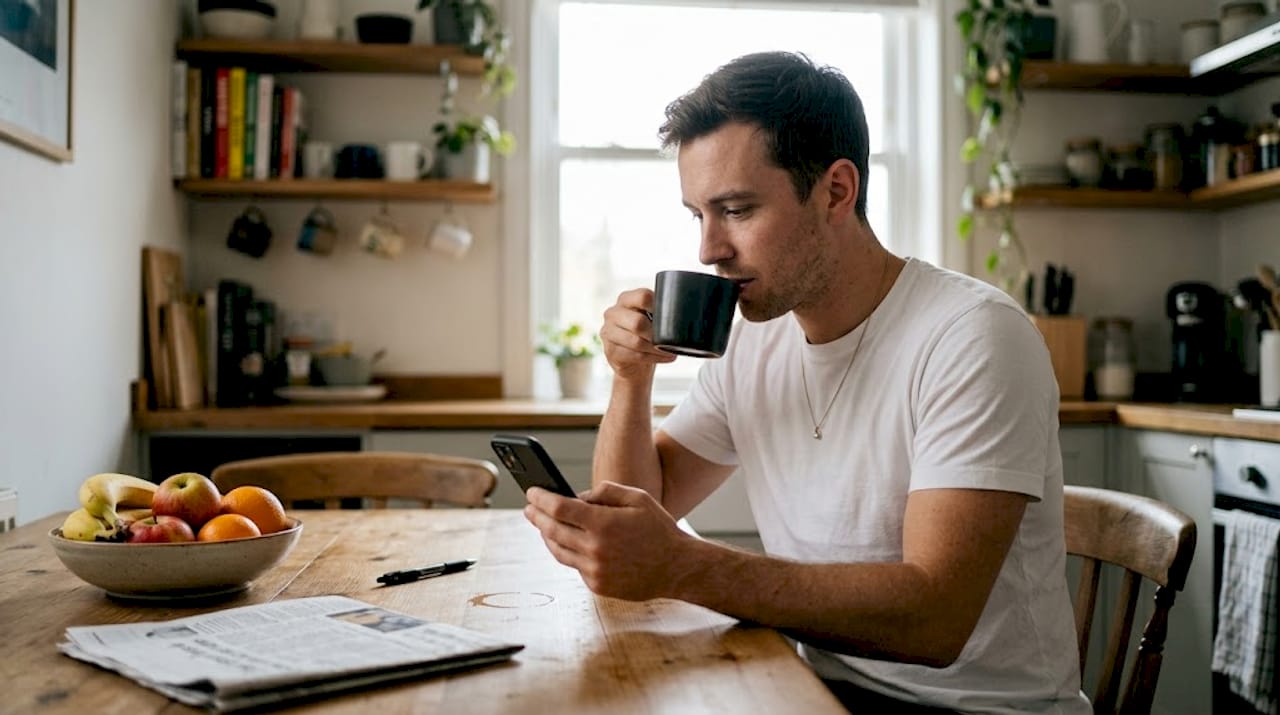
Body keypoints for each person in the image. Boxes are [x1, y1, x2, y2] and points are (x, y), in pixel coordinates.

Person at [523, 51, 1090, 714]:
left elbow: (935, 619)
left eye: (735, 209)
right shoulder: (755, 336)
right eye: (697, 215)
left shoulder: (972, 336)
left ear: (836, 192)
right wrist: (631, 378)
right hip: (815, 689)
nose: (708, 249)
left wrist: (684, 566)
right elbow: (648, 500)